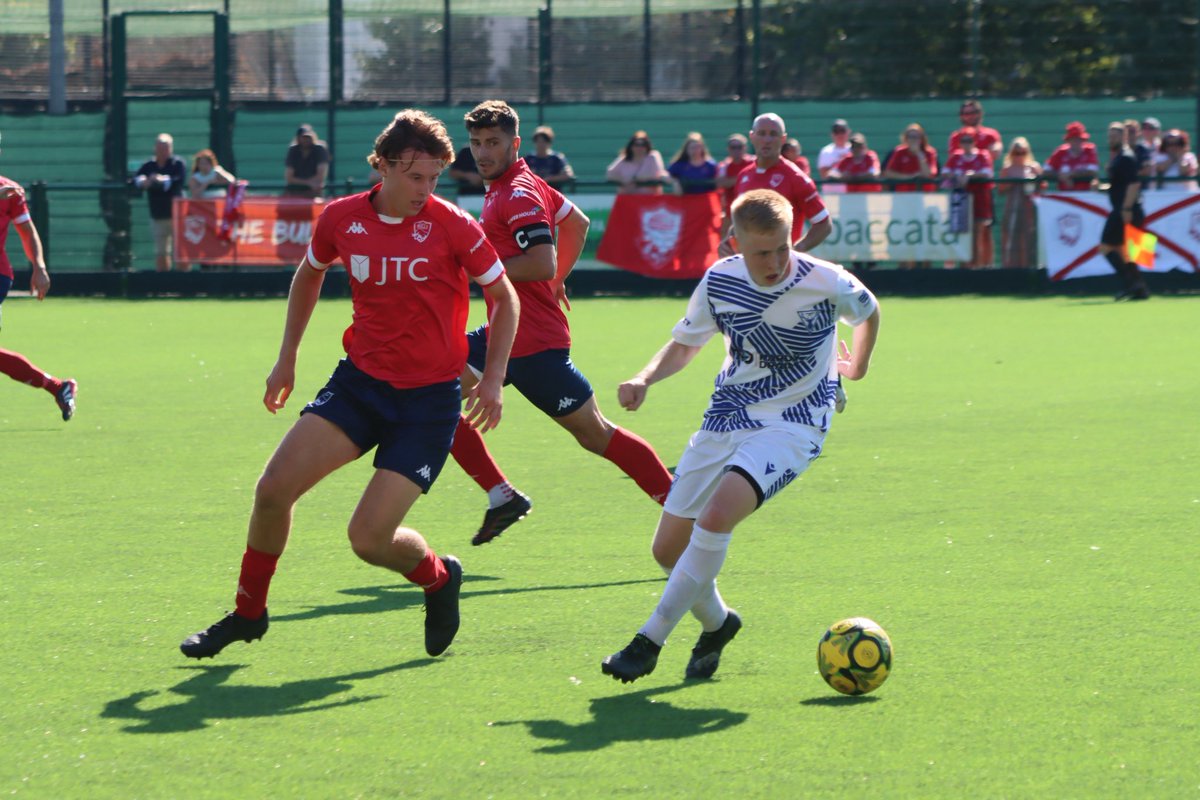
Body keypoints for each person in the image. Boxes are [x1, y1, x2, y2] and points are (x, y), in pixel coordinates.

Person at [179, 109, 521, 659]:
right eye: (415, 176)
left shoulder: (454, 224)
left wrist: (495, 378)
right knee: (272, 491)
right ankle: (248, 614)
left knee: (368, 540)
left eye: (434, 178)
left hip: (427, 404)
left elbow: (505, 298)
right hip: (360, 386)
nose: (426, 189)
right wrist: (287, 358)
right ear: (382, 165)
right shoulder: (341, 218)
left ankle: (438, 577)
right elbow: (310, 273)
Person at [600, 188, 881, 684]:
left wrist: (855, 369)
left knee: (716, 517)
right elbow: (685, 345)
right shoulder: (719, 281)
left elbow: (869, 310)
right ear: (735, 243)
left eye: (782, 248)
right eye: (761, 253)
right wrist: (644, 378)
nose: (774, 263)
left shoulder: (825, 280)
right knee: (667, 551)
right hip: (727, 415)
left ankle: (649, 640)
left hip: (796, 422)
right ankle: (718, 623)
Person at [455, 100, 673, 545]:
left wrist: (479, 270)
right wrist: (554, 283)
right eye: (476, 143)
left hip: (533, 345)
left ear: (515, 144)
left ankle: (683, 509)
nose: (482, 152)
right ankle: (501, 495)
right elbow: (578, 223)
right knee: (427, 394)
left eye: (493, 143)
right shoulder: (515, 184)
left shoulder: (517, 193)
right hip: (504, 334)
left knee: (596, 435)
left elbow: (541, 260)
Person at [0, 146, 76, 421]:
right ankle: (58, 387)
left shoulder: (9, 191)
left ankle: (58, 387)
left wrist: (39, 266)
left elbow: (27, 232)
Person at [728, 113, 832, 254]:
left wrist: (796, 251)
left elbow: (824, 224)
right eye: (761, 133)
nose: (767, 140)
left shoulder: (796, 177)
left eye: (773, 134)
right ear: (752, 136)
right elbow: (739, 222)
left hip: (780, 266)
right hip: (747, 264)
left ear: (783, 139)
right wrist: (728, 241)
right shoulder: (744, 176)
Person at [1100, 121, 1150, 301]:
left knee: (1107, 247)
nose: (1111, 139)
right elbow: (1119, 185)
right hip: (1124, 208)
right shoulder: (1119, 157)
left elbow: (1134, 184)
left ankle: (1130, 284)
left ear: (1124, 137)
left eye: (1115, 136)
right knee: (1127, 252)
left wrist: (1126, 208)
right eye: (1110, 136)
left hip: (1126, 209)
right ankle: (1139, 288)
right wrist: (1101, 188)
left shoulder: (1127, 157)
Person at [133, 133, 187, 271]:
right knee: (161, 251)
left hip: (177, 215)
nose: (163, 151)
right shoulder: (148, 165)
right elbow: (136, 180)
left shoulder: (177, 164)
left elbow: (178, 182)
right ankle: (164, 280)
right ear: (155, 148)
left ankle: (184, 280)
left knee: (181, 250)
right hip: (158, 215)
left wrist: (159, 180)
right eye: (160, 148)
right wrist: (143, 182)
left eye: (166, 148)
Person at [944, 126, 995, 269]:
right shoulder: (955, 157)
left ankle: (978, 266)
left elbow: (987, 173)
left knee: (979, 233)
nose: (966, 144)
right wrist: (957, 176)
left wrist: (970, 175)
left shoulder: (982, 155)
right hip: (961, 199)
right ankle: (964, 267)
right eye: (963, 141)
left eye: (969, 140)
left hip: (980, 199)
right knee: (962, 235)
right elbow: (945, 173)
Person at [998, 137, 1042, 268]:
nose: (1020, 156)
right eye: (1017, 153)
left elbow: (1042, 187)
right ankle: (1010, 267)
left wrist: (1032, 182)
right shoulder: (1007, 169)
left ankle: (1027, 267)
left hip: (1028, 208)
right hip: (1012, 206)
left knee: (1027, 237)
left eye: (1023, 152)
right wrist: (1013, 182)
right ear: (1012, 153)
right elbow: (1000, 190)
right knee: (1011, 238)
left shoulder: (1034, 167)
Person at [715, 134, 755, 237]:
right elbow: (721, 183)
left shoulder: (753, 162)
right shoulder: (724, 166)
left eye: (739, 147)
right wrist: (744, 178)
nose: (736, 150)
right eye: (733, 147)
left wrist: (733, 180)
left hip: (752, 210)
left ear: (745, 148)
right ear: (728, 149)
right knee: (729, 239)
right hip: (731, 211)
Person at [882, 123, 939, 192]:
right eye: (910, 137)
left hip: (925, 193)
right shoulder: (899, 151)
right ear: (906, 139)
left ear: (922, 139)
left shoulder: (930, 152)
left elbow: (928, 175)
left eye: (916, 137)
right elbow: (888, 173)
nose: (913, 140)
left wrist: (919, 154)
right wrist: (910, 177)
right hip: (904, 193)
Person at [1044, 122, 1099, 191]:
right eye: (1073, 139)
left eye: (1079, 139)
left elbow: (1092, 172)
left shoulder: (1089, 150)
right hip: (1065, 194)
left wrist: (1070, 174)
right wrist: (1061, 176)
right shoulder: (1060, 151)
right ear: (1068, 140)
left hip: (1086, 193)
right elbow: (1046, 171)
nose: (1076, 142)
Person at [949, 100, 1003, 165]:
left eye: (973, 113)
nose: (970, 116)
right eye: (966, 114)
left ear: (980, 114)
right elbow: (954, 158)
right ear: (961, 116)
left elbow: (996, 154)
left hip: (983, 170)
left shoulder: (990, 134)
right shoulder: (956, 136)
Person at [283, 123, 330, 198]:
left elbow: (320, 176)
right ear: (298, 138)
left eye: (308, 137)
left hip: (314, 193)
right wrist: (309, 183)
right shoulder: (293, 150)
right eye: (304, 137)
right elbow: (289, 178)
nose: (306, 140)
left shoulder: (320, 149)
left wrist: (310, 184)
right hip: (294, 192)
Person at [817, 119, 852, 193]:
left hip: (852, 193)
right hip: (831, 193)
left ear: (848, 132)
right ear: (832, 134)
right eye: (836, 131)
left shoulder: (854, 149)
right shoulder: (826, 151)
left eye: (842, 131)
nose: (840, 134)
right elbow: (824, 174)